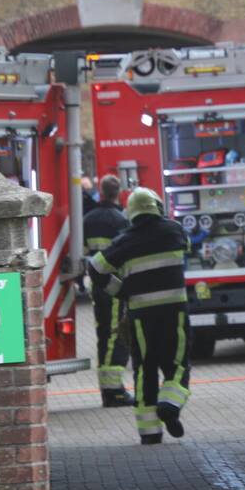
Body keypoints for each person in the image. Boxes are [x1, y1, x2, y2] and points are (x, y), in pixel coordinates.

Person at [88, 187, 192, 444]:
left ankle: (150, 433)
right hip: (174, 312)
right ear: (157, 206)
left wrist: (121, 291)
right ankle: (170, 404)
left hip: (141, 315)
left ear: (131, 213)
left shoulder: (125, 240)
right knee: (177, 364)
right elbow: (187, 245)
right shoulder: (174, 230)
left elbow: (95, 268)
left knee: (145, 369)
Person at [83, 175, 133, 407]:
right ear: (118, 192)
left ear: (101, 191)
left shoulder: (88, 218)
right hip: (114, 284)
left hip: (96, 284)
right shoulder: (120, 219)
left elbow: (83, 250)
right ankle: (114, 390)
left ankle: (108, 389)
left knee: (103, 333)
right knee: (115, 334)